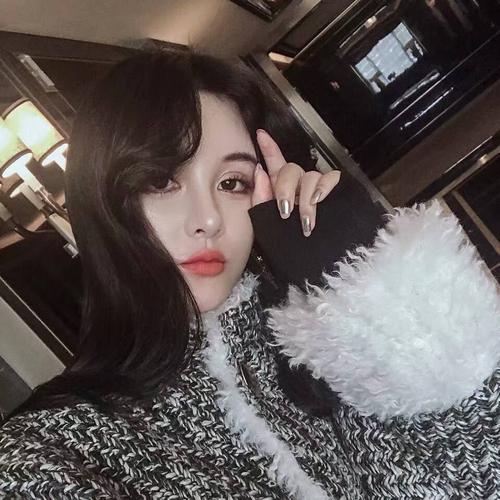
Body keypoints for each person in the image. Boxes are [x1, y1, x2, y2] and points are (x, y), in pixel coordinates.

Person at [0, 48, 498, 499]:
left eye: (233, 182)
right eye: (160, 180)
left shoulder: (323, 342)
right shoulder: (51, 454)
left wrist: (369, 288)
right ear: (101, 200)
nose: (208, 219)